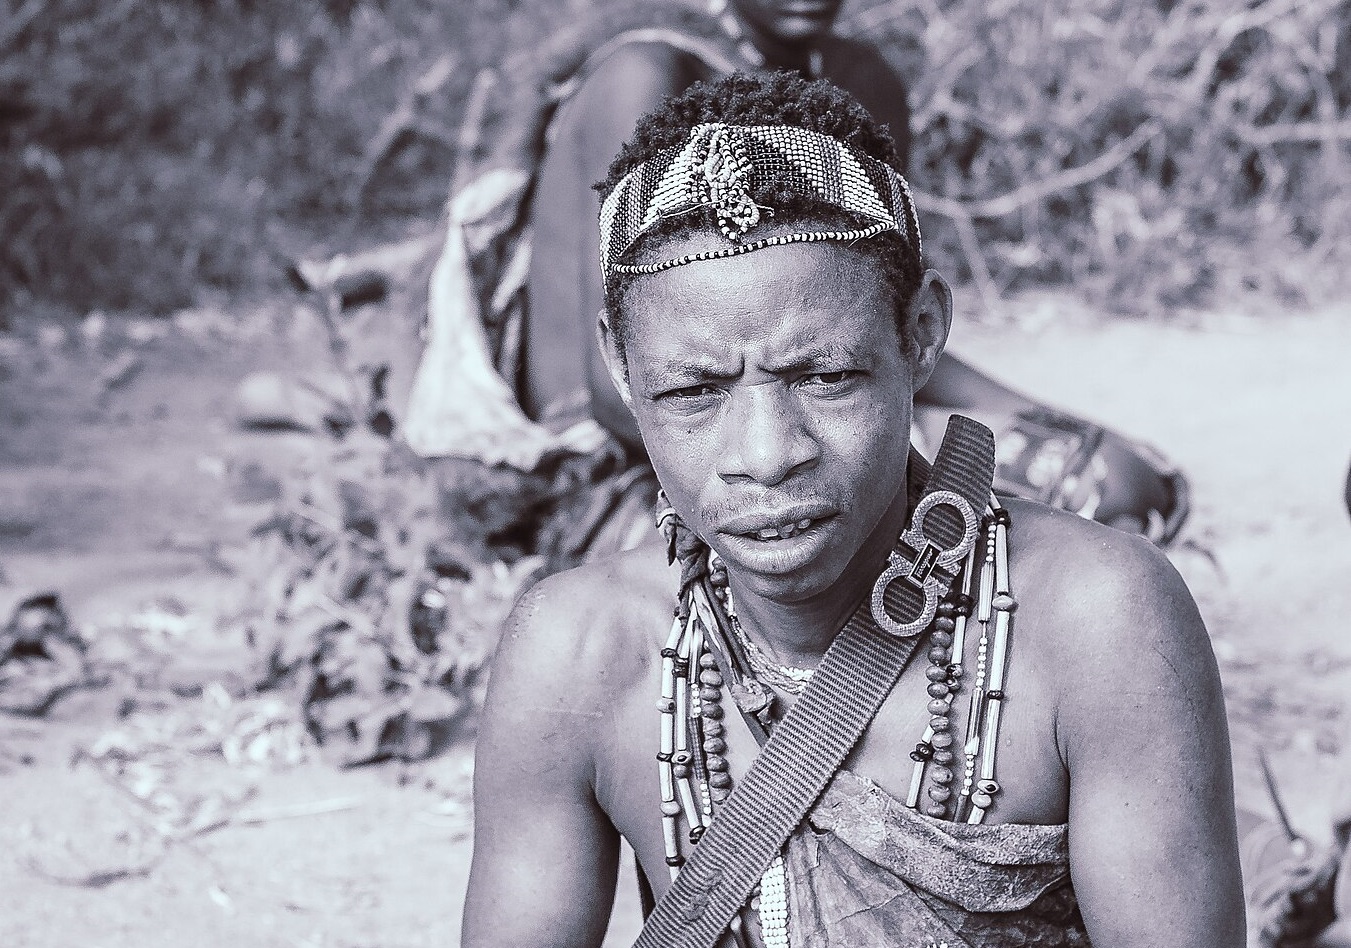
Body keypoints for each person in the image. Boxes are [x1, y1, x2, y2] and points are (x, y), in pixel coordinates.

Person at [461, 72, 1244, 947]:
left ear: (920, 335)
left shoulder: (1099, 620)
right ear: (617, 366)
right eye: (691, 391)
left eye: (825, 376)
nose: (765, 454)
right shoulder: (576, 654)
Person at [520, 0, 1187, 545]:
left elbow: (875, 329)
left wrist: (1066, 426)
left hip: (809, 398)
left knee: (1111, 479)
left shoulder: (858, 81)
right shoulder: (643, 72)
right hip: (624, 452)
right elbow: (625, 393)